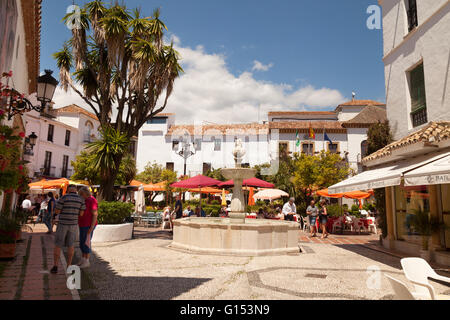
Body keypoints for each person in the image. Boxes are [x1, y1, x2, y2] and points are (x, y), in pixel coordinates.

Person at [51, 185, 86, 274]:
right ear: (76, 190)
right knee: (71, 245)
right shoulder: (81, 199)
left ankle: (55, 266)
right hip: (73, 225)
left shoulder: (64, 197)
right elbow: (81, 214)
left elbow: (57, 211)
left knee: (58, 245)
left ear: (67, 190)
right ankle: (69, 266)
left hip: (62, 224)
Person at [78, 187, 98, 269]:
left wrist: (92, 227)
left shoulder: (91, 200)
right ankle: (83, 259)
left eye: (81, 194)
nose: (80, 196)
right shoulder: (85, 200)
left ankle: (87, 260)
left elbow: (95, 214)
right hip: (82, 224)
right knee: (82, 242)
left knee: (86, 243)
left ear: (85, 193)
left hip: (88, 225)